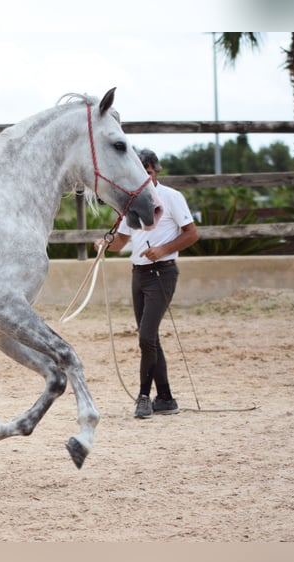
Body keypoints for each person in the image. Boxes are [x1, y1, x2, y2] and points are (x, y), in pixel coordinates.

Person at [95, 149, 199, 419]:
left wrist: (163, 249)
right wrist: (104, 244)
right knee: (150, 338)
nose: (146, 177)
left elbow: (192, 234)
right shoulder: (132, 203)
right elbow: (120, 242)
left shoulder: (172, 197)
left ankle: (143, 397)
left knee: (145, 337)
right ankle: (165, 397)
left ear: (156, 171)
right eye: (141, 172)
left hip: (162, 274)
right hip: (139, 274)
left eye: (149, 171)